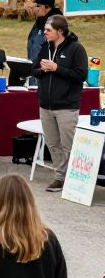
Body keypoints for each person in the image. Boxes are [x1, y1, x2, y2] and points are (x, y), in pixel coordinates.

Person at [31, 14, 88, 193]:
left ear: (60, 32)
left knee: (68, 145)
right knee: (53, 144)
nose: (45, 32)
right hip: (46, 105)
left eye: (48, 30)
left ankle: (74, 179)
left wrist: (57, 69)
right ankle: (59, 178)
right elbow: (34, 69)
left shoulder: (76, 49)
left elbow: (81, 75)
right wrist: (42, 69)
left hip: (66, 106)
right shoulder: (45, 47)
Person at [27, 0, 62, 67]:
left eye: (38, 6)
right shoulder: (39, 22)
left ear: (47, 7)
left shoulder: (56, 24)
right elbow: (32, 44)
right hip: (33, 68)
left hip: (45, 70)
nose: (35, 9)